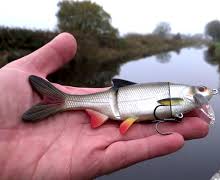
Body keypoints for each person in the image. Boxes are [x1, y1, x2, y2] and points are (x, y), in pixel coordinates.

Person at [0, 33, 209, 179]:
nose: (203, 92)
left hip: (120, 112)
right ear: (188, 93)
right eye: (200, 90)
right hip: (114, 108)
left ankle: (63, 102)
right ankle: (62, 101)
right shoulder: (183, 97)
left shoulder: (181, 99)